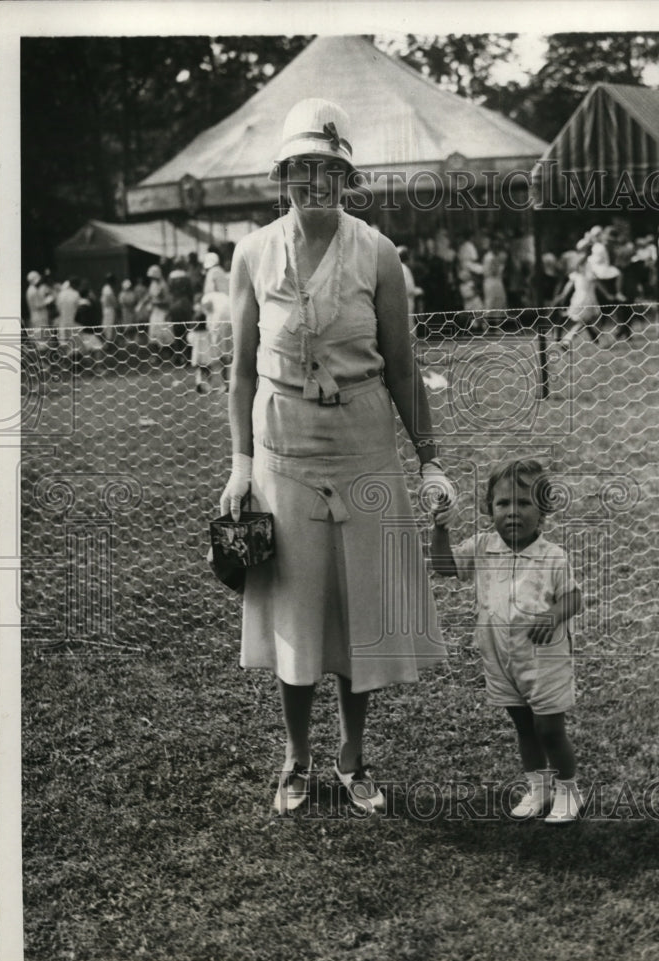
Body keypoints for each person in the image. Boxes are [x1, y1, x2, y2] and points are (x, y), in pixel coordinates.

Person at [222, 97, 455, 816]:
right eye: (303, 169)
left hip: (361, 443)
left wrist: (430, 460)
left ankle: (354, 756)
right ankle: (296, 759)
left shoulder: (378, 252)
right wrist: (238, 464)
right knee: (295, 606)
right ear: (282, 174)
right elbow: (239, 371)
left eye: (330, 169)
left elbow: (405, 368)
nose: (316, 183)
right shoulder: (253, 253)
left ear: (347, 177)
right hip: (281, 444)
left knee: (361, 608)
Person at [430, 458, 583, 823]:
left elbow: (573, 597)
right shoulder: (483, 547)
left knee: (548, 727)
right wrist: (439, 530)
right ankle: (539, 787)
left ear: (544, 509)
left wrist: (553, 615)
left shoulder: (552, 558)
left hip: (543, 659)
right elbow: (445, 567)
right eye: (503, 503)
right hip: (499, 658)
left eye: (524, 503)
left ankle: (569, 790)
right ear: (489, 508)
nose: (513, 512)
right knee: (522, 725)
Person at [55, 277, 81, 346]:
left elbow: (58, 308)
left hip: (62, 322)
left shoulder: (61, 294)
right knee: (73, 343)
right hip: (72, 322)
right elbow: (78, 308)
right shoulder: (76, 294)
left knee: (63, 342)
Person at [100, 273, 119, 343]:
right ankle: (108, 340)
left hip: (109, 309)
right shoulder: (107, 289)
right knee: (108, 325)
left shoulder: (108, 288)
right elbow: (111, 300)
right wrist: (116, 305)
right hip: (108, 309)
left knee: (110, 325)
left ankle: (110, 340)